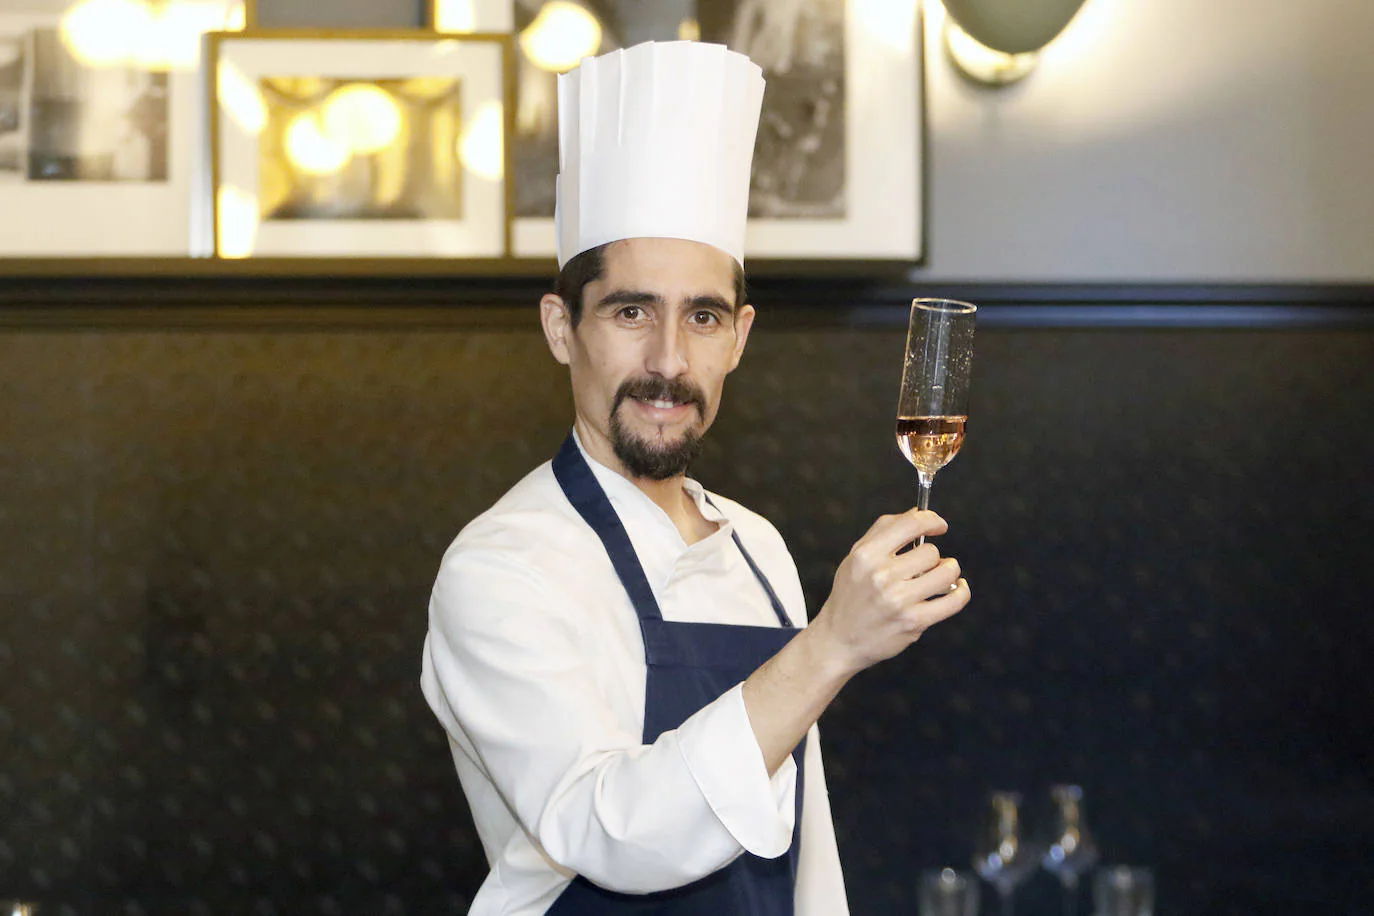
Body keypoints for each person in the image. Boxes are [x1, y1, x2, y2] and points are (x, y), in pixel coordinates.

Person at [420, 40, 970, 916]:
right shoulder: (500, 568)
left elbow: (805, 843)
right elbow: (609, 832)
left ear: (740, 339)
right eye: (631, 311)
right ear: (562, 329)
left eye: (703, 317)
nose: (668, 362)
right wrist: (829, 647)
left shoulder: (760, 549)